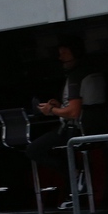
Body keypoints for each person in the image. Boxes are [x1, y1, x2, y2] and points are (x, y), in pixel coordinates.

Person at [27, 39, 88, 188]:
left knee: (33, 150)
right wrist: (60, 107)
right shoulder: (86, 72)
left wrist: (51, 110)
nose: (61, 58)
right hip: (84, 126)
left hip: (73, 130)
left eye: (64, 53)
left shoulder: (75, 77)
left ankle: (73, 174)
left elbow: (74, 112)